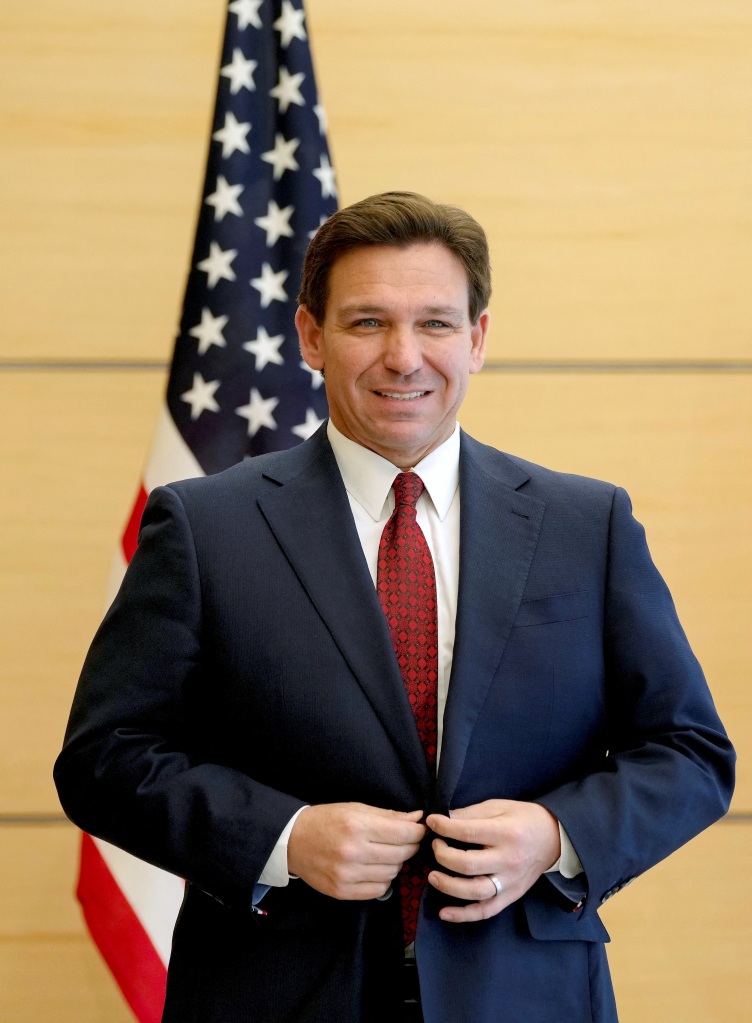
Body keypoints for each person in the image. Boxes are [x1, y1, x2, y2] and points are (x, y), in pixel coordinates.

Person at [55, 192, 735, 1023]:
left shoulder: (586, 525)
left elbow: (691, 752)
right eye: (368, 322)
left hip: (527, 996)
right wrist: (284, 838)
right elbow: (105, 758)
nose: (404, 357)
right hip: (274, 992)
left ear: (478, 338)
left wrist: (557, 835)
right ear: (311, 336)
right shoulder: (204, 527)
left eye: (437, 324)